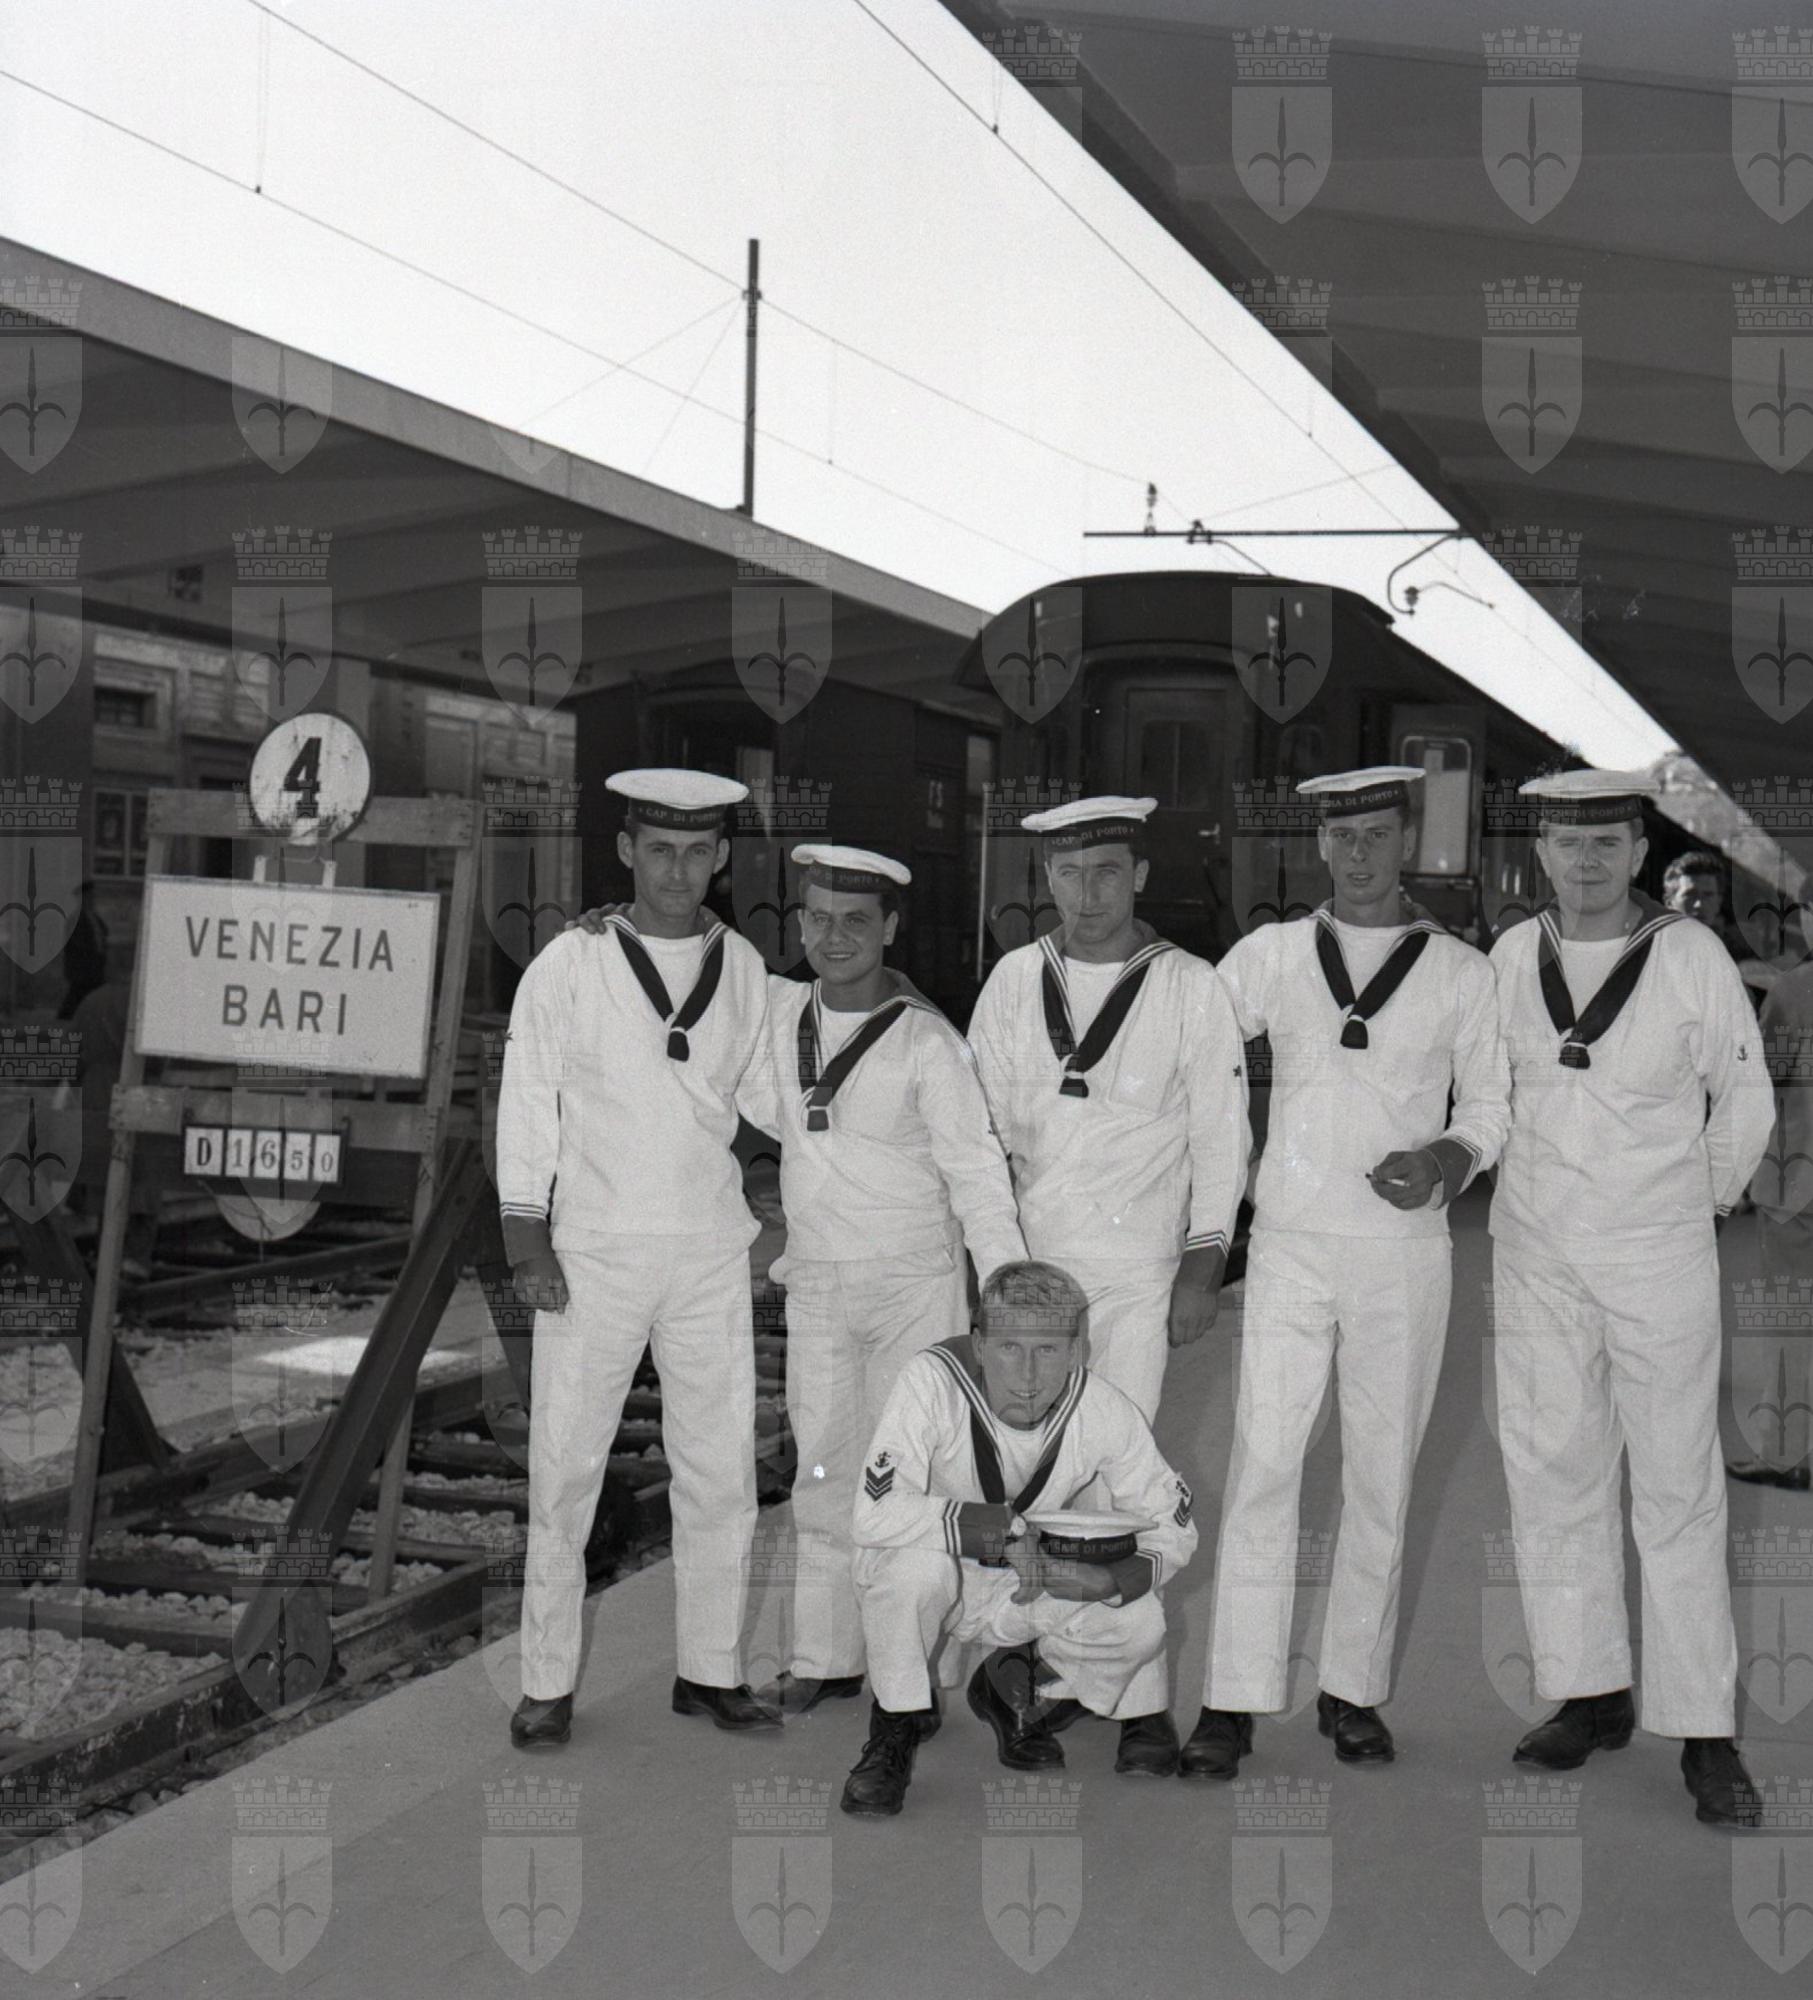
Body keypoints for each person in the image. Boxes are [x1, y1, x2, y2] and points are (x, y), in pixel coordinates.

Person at [1182, 768, 1511, 1777]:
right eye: (1343, 836)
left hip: (1401, 1256)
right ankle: (1233, 1695)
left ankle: (1353, 1689)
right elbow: (1189, 1046)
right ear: (1319, 844)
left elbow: (1490, 1106)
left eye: (1377, 833)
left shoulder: (1461, 972)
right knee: (1265, 1465)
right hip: (1289, 1246)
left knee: (1380, 1471)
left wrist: (1446, 1159)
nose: (1360, 853)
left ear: (1407, 838)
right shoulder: (1272, 955)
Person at [1488, 768, 1776, 1828]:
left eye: (1607, 842)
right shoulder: (1511, 957)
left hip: (1656, 1253)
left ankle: (1703, 1728)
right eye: (1568, 844)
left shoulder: (1689, 955)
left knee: (1676, 1487)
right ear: (1541, 855)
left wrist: (1692, 1208)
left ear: (1638, 853)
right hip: (1536, 1254)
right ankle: (1588, 1689)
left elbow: (1742, 1101)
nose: (1587, 861)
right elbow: (1487, 1095)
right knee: (1551, 1474)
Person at [495, 767, 777, 1748]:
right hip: (595, 1251)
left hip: (706, 1249)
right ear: (626, 851)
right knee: (564, 1470)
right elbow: (527, 1100)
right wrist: (526, 1238)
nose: (677, 871)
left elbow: (766, 1093)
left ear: (721, 858)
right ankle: (544, 1684)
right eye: (659, 850)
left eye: (697, 852)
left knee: (718, 1471)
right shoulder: (569, 962)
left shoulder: (743, 965)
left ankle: (710, 1669)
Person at [730, 842, 1028, 1719]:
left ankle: (918, 1670)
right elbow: (696, 975)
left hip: (912, 1287)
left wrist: (1005, 1291)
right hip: (819, 1281)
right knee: (823, 1475)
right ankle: (825, 1656)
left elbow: (976, 1173)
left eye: (855, 921)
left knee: (913, 1480)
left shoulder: (927, 1040)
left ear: (890, 928)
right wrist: (611, 925)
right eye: (818, 919)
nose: (834, 937)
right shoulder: (776, 1012)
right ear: (798, 924)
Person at [838, 1260, 1198, 1816]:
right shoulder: (932, 1380)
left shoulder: (1101, 1408)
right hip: (934, 1567)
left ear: (1076, 1351)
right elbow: (873, 1513)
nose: (1028, 1373)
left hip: (1021, 1584)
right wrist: (1000, 1532)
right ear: (980, 1344)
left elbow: (1174, 1523)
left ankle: (1011, 1686)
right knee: (914, 1572)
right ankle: (893, 1728)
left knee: (1139, 1622)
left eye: (1048, 1350)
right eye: (1010, 1347)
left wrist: (1110, 1579)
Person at [965, 796, 1249, 1422]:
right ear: (1048, 879)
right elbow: (979, 1141)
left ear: (1139, 876)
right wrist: (991, 1266)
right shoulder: (1015, 979)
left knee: (1118, 1443)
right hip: (1033, 1258)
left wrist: (1202, 1269)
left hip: (1138, 1271)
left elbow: (1222, 1139)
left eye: (1107, 872)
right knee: (1028, 1444)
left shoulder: (1190, 984)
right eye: (1069, 873)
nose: (1087, 894)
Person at [1728, 892, 1813, 1492]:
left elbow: (1761, 1081)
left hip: (1797, 1182)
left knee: (1791, 1321)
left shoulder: (1795, 989)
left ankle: (1787, 1455)